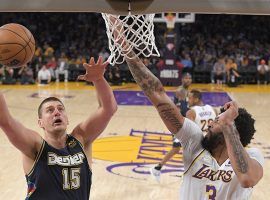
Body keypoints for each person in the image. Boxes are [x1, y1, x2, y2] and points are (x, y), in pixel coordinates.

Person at [0, 56, 117, 199]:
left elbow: (109, 109)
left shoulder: (81, 139)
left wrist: (98, 80)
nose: (56, 112)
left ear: (67, 120)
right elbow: (5, 121)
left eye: (60, 109)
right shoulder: (35, 146)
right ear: (40, 123)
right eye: (49, 110)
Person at [150, 90, 217, 182]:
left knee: (181, 152)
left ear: (196, 99)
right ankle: (158, 168)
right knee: (176, 149)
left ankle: (158, 168)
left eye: (189, 98)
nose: (187, 100)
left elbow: (190, 131)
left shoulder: (191, 112)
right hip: (207, 141)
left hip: (193, 138)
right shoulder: (212, 109)